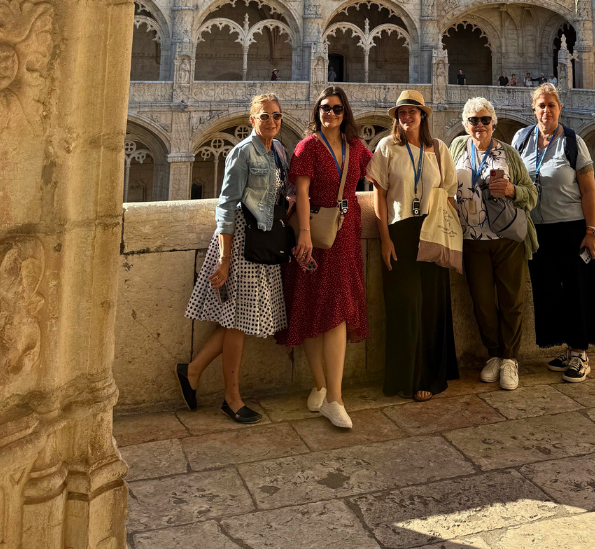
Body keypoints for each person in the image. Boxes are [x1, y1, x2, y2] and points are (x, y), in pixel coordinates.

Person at [178, 93, 290, 422]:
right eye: (264, 116)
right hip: (240, 241)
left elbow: (279, 191)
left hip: (263, 240)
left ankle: (192, 371)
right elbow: (226, 207)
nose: (271, 121)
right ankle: (232, 398)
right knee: (238, 323)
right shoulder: (243, 152)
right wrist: (224, 260)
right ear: (251, 120)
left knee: (235, 322)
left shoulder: (279, 150)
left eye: (276, 116)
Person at [277, 86, 371, 429]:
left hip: (345, 234)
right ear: (317, 111)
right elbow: (300, 192)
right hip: (314, 234)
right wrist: (303, 234)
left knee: (337, 310)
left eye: (335, 108)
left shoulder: (356, 147)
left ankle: (332, 395)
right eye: (324, 108)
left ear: (345, 113)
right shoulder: (307, 147)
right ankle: (326, 390)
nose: (329, 113)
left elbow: (380, 175)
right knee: (314, 308)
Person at [367, 89, 459, 401]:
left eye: (413, 112)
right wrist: (385, 239)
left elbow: (448, 195)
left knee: (431, 306)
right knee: (405, 306)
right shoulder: (387, 147)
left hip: (431, 229)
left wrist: (449, 236)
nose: (407, 117)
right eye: (402, 113)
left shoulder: (438, 148)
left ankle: (429, 378)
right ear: (397, 117)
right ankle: (403, 378)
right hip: (400, 231)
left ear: (423, 116)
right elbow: (378, 195)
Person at [513, 84, 595, 383]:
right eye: (541, 105)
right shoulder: (522, 138)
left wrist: (591, 231)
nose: (546, 110)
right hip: (536, 230)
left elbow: (589, 189)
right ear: (533, 109)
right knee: (549, 291)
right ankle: (567, 347)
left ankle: (580, 353)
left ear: (560, 108)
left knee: (577, 289)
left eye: (551, 105)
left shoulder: (572, 141)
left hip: (571, 229)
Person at [451, 98, 538, 392]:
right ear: (465, 124)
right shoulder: (457, 150)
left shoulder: (508, 153)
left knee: (511, 301)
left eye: (485, 120)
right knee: (483, 303)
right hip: (471, 241)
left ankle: (510, 359)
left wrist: (513, 189)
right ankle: (494, 354)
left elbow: (532, 193)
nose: (479, 126)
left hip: (507, 239)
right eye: (473, 120)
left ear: (493, 122)